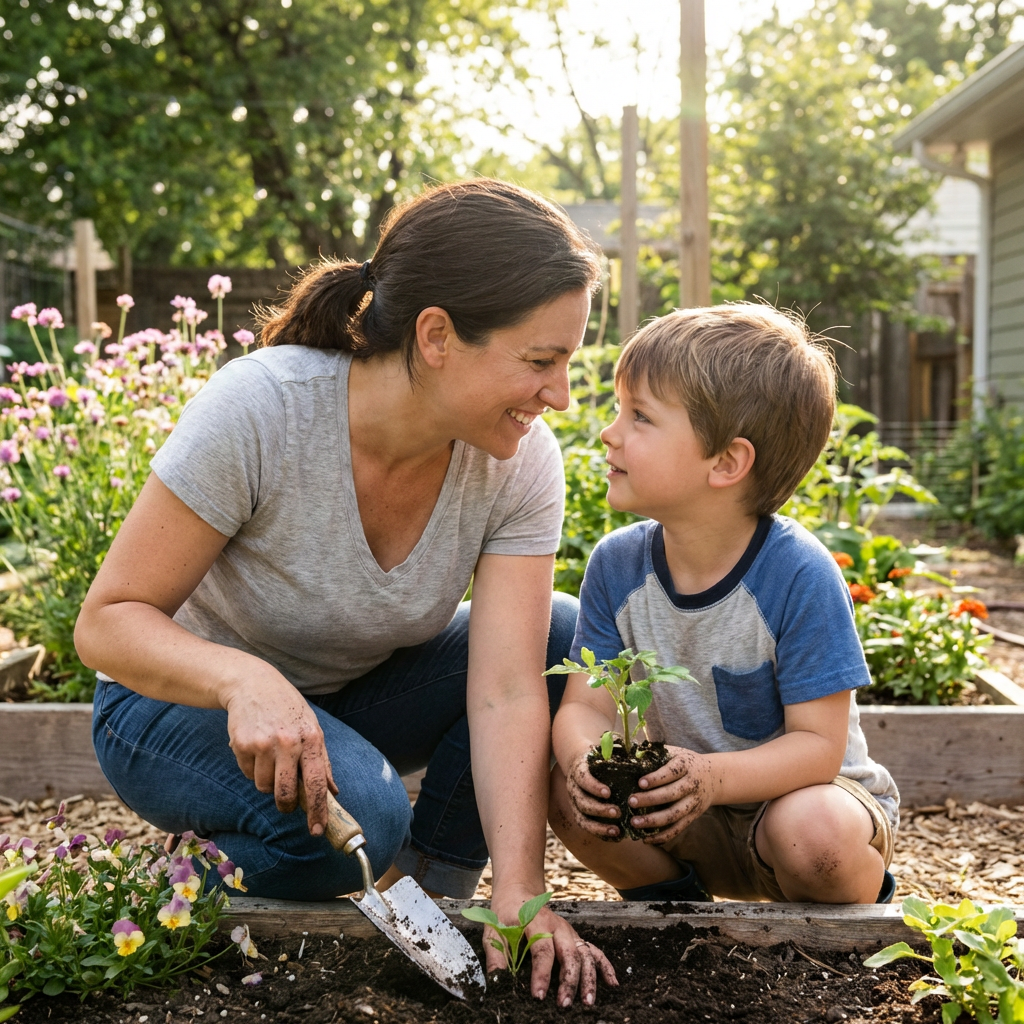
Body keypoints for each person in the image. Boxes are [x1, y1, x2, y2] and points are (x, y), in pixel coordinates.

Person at [75, 179, 617, 1006]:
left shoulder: (519, 461)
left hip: (343, 705)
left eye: (568, 362)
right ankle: (181, 875)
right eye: (541, 361)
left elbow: (508, 689)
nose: (561, 396)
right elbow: (108, 625)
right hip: (172, 707)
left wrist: (521, 893)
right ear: (436, 335)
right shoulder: (266, 409)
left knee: (556, 635)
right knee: (360, 814)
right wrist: (241, 679)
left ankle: (429, 896)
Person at [549, 304, 899, 906]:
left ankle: (853, 917)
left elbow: (819, 747)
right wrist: (586, 762)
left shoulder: (798, 573)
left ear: (727, 463)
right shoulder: (618, 565)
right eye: (617, 411)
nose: (610, 433)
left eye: (640, 417)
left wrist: (712, 778)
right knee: (562, 794)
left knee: (814, 837)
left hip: (802, 805)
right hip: (684, 815)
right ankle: (677, 912)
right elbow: (587, 705)